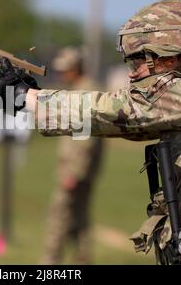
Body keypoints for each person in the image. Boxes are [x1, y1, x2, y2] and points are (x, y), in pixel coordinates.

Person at [0, 0, 181, 265]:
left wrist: (26, 97)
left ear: (170, 55)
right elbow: (124, 123)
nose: (132, 72)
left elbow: (118, 110)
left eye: (138, 60)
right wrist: (36, 97)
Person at [41, 47, 104, 264]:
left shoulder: (84, 93)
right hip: (81, 170)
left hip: (75, 171)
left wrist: (73, 173)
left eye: (65, 70)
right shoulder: (82, 89)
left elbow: (85, 140)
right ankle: (82, 260)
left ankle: (51, 262)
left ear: (76, 68)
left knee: (60, 217)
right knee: (80, 218)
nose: (61, 74)